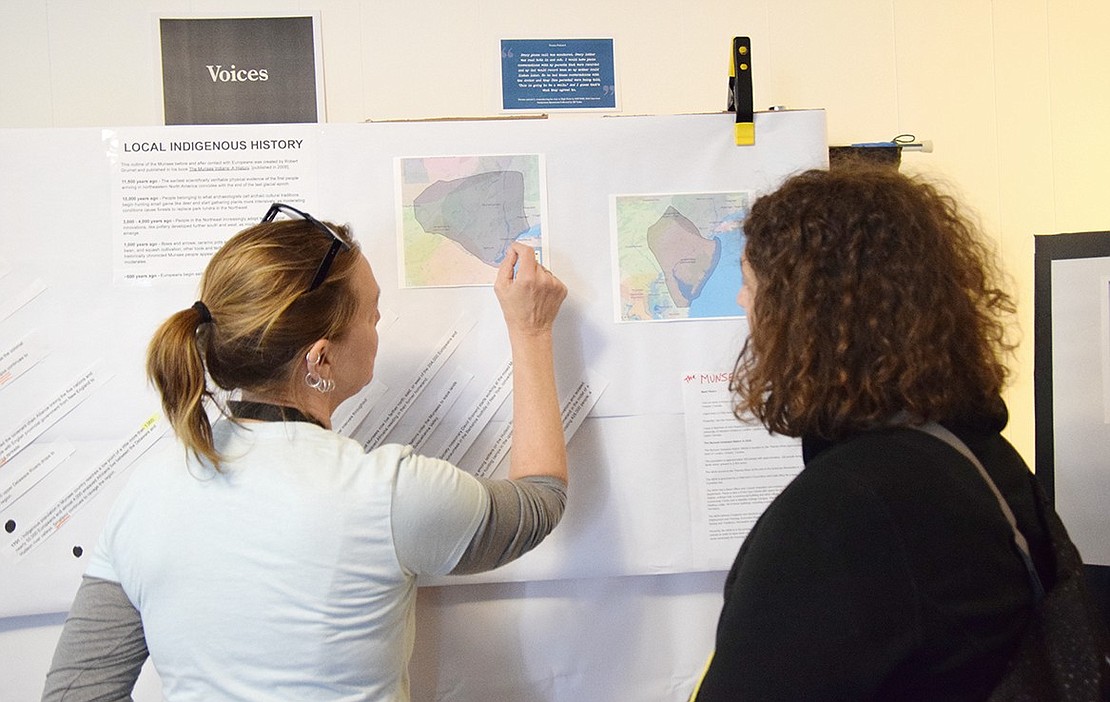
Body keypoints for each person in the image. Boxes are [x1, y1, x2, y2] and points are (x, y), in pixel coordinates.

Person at [42, 203, 569, 701]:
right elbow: (541, 500)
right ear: (320, 358)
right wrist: (533, 329)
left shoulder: (147, 492)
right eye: (372, 315)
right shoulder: (386, 493)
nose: (379, 330)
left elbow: (75, 694)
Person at [690, 163, 1093, 700]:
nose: (743, 304)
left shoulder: (852, 504)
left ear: (808, 311)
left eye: (749, 284)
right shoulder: (979, 455)